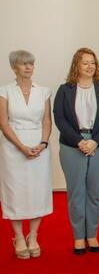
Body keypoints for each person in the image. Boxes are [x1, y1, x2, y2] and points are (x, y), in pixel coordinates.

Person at [53, 48, 99, 255]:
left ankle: (92, 235)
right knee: (76, 192)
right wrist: (80, 141)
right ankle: (79, 237)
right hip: (72, 145)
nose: (90, 66)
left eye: (92, 62)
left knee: (95, 193)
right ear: (76, 65)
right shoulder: (65, 90)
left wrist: (95, 141)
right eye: (85, 62)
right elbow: (59, 119)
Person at [0, 50, 52, 259]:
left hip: (39, 147)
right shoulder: (4, 91)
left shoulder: (44, 91)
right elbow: (3, 123)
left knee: (38, 191)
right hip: (13, 147)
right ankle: (19, 237)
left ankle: (33, 236)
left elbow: (47, 120)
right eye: (23, 64)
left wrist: (43, 143)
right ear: (14, 67)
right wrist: (21, 147)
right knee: (15, 191)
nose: (28, 67)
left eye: (31, 63)